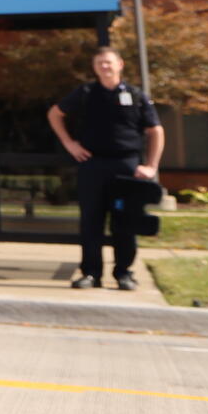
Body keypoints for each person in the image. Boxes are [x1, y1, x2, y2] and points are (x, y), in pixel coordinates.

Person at [50, 47, 164, 291]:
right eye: (100, 63)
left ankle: (124, 273)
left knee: (125, 222)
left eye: (109, 62)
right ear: (94, 67)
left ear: (120, 64)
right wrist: (70, 144)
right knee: (91, 221)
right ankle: (91, 273)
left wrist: (151, 166)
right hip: (93, 166)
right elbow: (55, 114)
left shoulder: (135, 95)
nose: (105, 67)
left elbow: (156, 130)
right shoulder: (86, 93)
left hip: (127, 168)